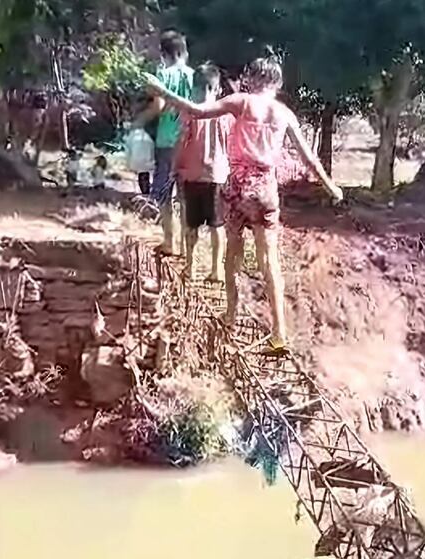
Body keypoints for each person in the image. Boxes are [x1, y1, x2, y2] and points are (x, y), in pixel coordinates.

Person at [145, 56, 343, 352]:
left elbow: (197, 111)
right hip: (265, 190)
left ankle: (230, 315)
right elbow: (308, 158)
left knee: (232, 259)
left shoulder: (241, 101)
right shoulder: (284, 113)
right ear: (277, 84)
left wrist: (163, 91)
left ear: (250, 79)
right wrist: (331, 187)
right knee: (269, 262)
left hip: (236, 188)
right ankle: (279, 334)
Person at [174, 63, 235, 282]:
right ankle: (216, 270)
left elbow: (181, 142)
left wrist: (176, 166)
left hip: (192, 174)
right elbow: (231, 144)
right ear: (217, 89)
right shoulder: (225, 115)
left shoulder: (188, 113)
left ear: (193, 87)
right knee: (217, 224)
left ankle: (190, 267)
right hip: (218, 175)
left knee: (191, 224)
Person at [150, 30, 194, 254]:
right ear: (184, 52)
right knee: (186, 196)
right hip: (190, 144)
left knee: (164, 194)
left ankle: (170, 242)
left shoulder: (162, 75)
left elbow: (158, 107)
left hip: (167, 141)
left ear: (163, 53)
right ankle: (188, 249)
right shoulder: (195, 76)